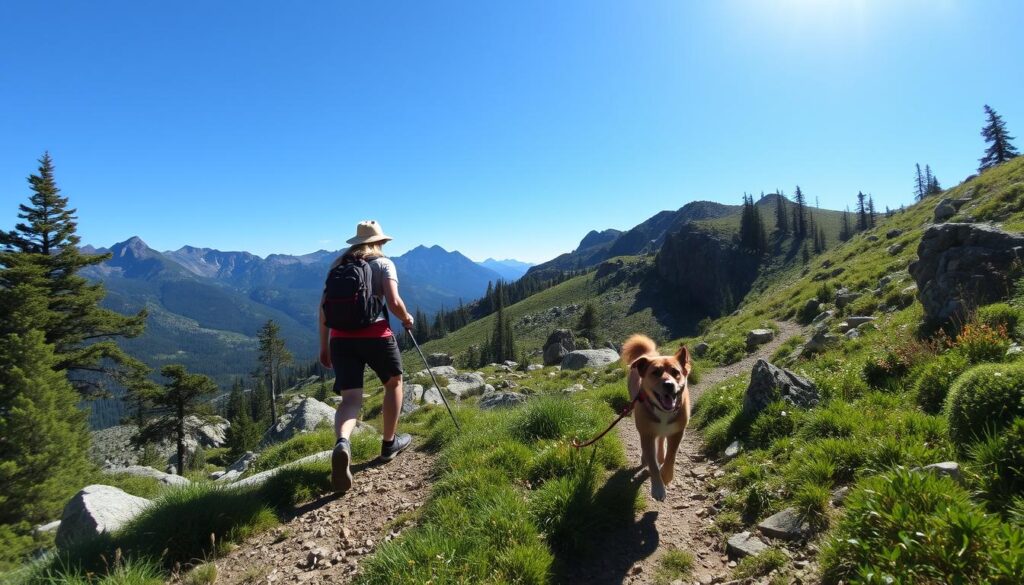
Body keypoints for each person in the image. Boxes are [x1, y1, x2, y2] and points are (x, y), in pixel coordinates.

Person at [319, 220, 415, 494]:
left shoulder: (338, 265)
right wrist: (406, 318)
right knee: (394, 383)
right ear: (380, 242)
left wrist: (324, 346)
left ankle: (342, 443)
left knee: (350, 399)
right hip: (376, 336)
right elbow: (394, 302)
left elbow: (323, 309)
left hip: (340, 340)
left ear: (357, 242)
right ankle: (388, 445)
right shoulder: (384, 264)